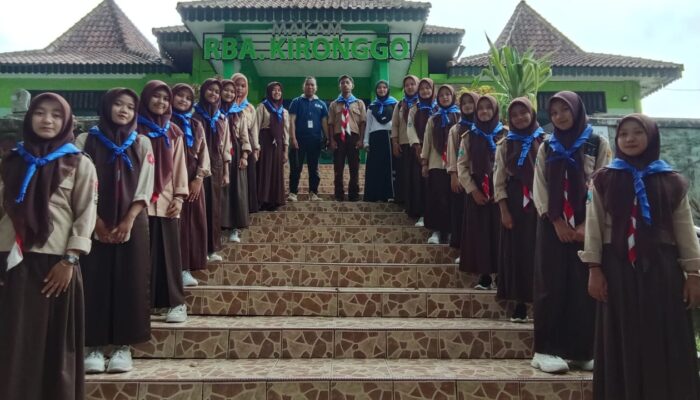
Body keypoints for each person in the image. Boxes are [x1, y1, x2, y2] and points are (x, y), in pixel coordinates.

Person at [581, 114, 700, 399]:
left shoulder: (671, 181)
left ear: (652, 136)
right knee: (623, 336)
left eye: (637, 132)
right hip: (617, 270)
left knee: (663, 335)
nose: (630, 139)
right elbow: (595, 226)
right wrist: (594, 268)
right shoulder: (604, 179)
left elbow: (684, 229)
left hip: (662, 271)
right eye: (623, 134)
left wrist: (694, 274)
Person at [0, 93, 97, 400]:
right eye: (40, 113)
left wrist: (70, 260)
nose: (47, 120)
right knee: (13, 338)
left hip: (55, 264)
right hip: (11, 260)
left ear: (66, 121)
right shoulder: (11, 160)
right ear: (29, 119)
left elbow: (85, 214)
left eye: (56, 115)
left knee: (52, 343)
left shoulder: (79, 163)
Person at [531, 91, 611, 373]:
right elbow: (539, 185)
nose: (559, 117)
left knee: (581, 286)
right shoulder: (547, 146)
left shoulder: (596, 143)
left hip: (585, 225)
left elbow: (602, 183)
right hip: (552, 224)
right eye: (553, 113)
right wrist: (556, 221)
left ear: (577, 111)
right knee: (550, 284)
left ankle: (581, 350)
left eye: (564, 110)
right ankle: (545, 350)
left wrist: (586, 224)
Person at [76, 88, 154, 374]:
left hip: (131, 221)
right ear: (107, 106)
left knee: (130, 280)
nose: (124, 110)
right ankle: (93, 345)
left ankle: (123, 346)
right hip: (93, 220)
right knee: (94, 279)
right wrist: (95, 221)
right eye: (118, 105)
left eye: (130, 107)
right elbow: (79, 182)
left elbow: (146, 183)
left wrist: (129, 219)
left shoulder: (142, 142)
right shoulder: (86, 140)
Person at [136, 80, 189, 323]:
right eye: (156, 97)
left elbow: (179, 166)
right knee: (140, 256)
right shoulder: (133, 130)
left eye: (165, 99)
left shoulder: (174, 132)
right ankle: (141, 304)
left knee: (169, 254)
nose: (161, 102)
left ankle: (176, 303)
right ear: (146, 99)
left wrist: (179, 196)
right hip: (138, 203)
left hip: (167, 200)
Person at [493, 97, 543, 322]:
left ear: (532, 113)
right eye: (514, 115)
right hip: (514, 202)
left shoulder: (546, 141)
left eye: (524, 113)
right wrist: (504, 209)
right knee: (517, 253)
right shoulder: (505, 144)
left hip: (540, 203)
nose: (520, 118)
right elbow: (499, 178)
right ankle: (519, 303)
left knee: (540, 252)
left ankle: (541, 301)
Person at [457, 95, 507, 289]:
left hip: (502, 193)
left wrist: (501, 191)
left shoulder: (506, 134)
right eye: (480, 109)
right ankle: (485, 275)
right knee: (481, 233)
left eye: (488, 108)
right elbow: (462, 167)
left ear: (495, 111)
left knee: (501, 234)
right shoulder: (469, 136)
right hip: (478, 191)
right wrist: (473, 190)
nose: (484, 112)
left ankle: (503, 275)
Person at [171, 83, 211, 285]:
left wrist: (199, 178)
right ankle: (173, 267)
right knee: (175, 224)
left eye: (188, 98)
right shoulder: (164, 122)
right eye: (179, 96)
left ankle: (187, 268)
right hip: (169, 180)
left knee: (192, 223)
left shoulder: (195, 125)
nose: (183, 101)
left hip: (193, 177)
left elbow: (204, 153)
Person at [192, 79, 230, 260]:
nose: (214, 94)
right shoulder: (193, 115)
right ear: (203, 91)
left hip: (216, 166)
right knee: (198, 208)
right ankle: (198, 249)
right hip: (196, 167)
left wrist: (226, 171)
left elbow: (225, 147)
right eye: (210, 90)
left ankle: (212, 248)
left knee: (214, 207)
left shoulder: (222, 118)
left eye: (217, 91)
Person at [419, 84, 460, 244]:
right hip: (436, 164)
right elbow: (427, 141)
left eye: (447, 95)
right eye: (441, 95)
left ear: (452, 96)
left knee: (451, 199)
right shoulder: (433, 118)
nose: (444, 97)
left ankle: (449, 232)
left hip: (454, 165)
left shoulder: (459, 117)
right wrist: (424, 162)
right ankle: (436, 232)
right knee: (437, 198)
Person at [221, 75, 253, 243]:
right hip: (218, 155)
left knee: (236, 190)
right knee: (220, 190)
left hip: (237, 153)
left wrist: (245, 155)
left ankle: (234, 228)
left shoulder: (238, 112)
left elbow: (244, 136)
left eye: (233, 91)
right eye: (227, 90)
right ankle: (219, 225)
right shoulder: (214, 111)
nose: (230, 93)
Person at [447, 91, 479, 257]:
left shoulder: (487, 127)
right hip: (462, 177)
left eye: (471, 102)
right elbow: (452, 152)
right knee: (462, 214)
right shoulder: (456, 129)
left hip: (482, 180)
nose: (467, 106)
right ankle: (463, 249)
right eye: (464, 103)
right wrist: (453, 175)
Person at [288, 76, 328, 202]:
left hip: (315, 141)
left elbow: (324, 122)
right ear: (303, 87)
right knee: (296, 167)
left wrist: (327, 137)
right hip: (298, 141)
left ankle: (313, 193)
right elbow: (292, 121)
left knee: (314, 168)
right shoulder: (296, 101)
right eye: (307, 84)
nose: (310, 87)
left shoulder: (321, 104)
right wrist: (293, 138)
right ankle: (293, 193)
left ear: (316, 88)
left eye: (312, 85)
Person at [328, 75, 367, 201]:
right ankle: (339, 194)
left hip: (354, 138)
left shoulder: (359, 103)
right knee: (338, 167)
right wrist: (332, 140)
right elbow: (330, 124)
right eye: (342, 83)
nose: (345, 84)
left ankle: (353, 195)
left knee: (354, 167)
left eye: (347, 82)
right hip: (339, 138)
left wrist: (361, 139)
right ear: (339, 86)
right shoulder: (334, 104)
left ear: (352, 85)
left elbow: (362, 123)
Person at [405, 78, 436, 226]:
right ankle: (422, 214)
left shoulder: (438, 108)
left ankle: (434, 215)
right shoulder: (414, 108)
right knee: (420, 183)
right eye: (422, 88)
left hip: (436, 152)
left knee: (434, 184)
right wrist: (416, 145)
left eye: (427, 88)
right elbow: (410, 127)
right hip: (418, 150)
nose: (425, 91)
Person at [256, 81, 289, 210]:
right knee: (264, 171)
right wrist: (256, 146)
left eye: (279, 90)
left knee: (276, 172)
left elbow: (286, 132)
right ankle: (262, 200)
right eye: (274, 90)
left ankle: (274, 201)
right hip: (264, 142)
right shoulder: (262, 107)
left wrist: (285, 150)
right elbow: (256, 127)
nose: (277, 92)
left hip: (278, 145)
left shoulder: (284, 111)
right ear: (269, 92)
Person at [363, 80, 398, 202]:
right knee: (374, 167)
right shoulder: (371, 107)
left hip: (389, 137)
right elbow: (368, 125)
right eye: (379, 88)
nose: (382, 90)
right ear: (376, 90)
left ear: (388, 89)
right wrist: (366, 142)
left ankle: (388, 195)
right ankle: (373, 195)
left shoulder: (395, 105)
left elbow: (397, 124)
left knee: (388, 167)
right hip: (375, 138)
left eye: (384, 87)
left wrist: (396, 139)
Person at [234, 73, 260, 214]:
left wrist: (256, 148)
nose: (239, 89)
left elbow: (254, 129)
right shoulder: (225, 104)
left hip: (247, 146)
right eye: (236, 85)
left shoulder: (250, 107)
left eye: (243, 86)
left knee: (248, 178)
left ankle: (247, 207)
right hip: (231, 144)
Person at [391, 75, 419, 206]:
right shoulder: (399, 104)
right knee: (404, 174)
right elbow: (395, 125)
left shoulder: (422, 103)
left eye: (412, 84)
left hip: (419, 144)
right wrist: (395, 143)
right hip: (404, 144)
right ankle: (404, 201)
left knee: (417, 175)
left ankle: (416, 203)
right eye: (407, 85)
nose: (409, 87)